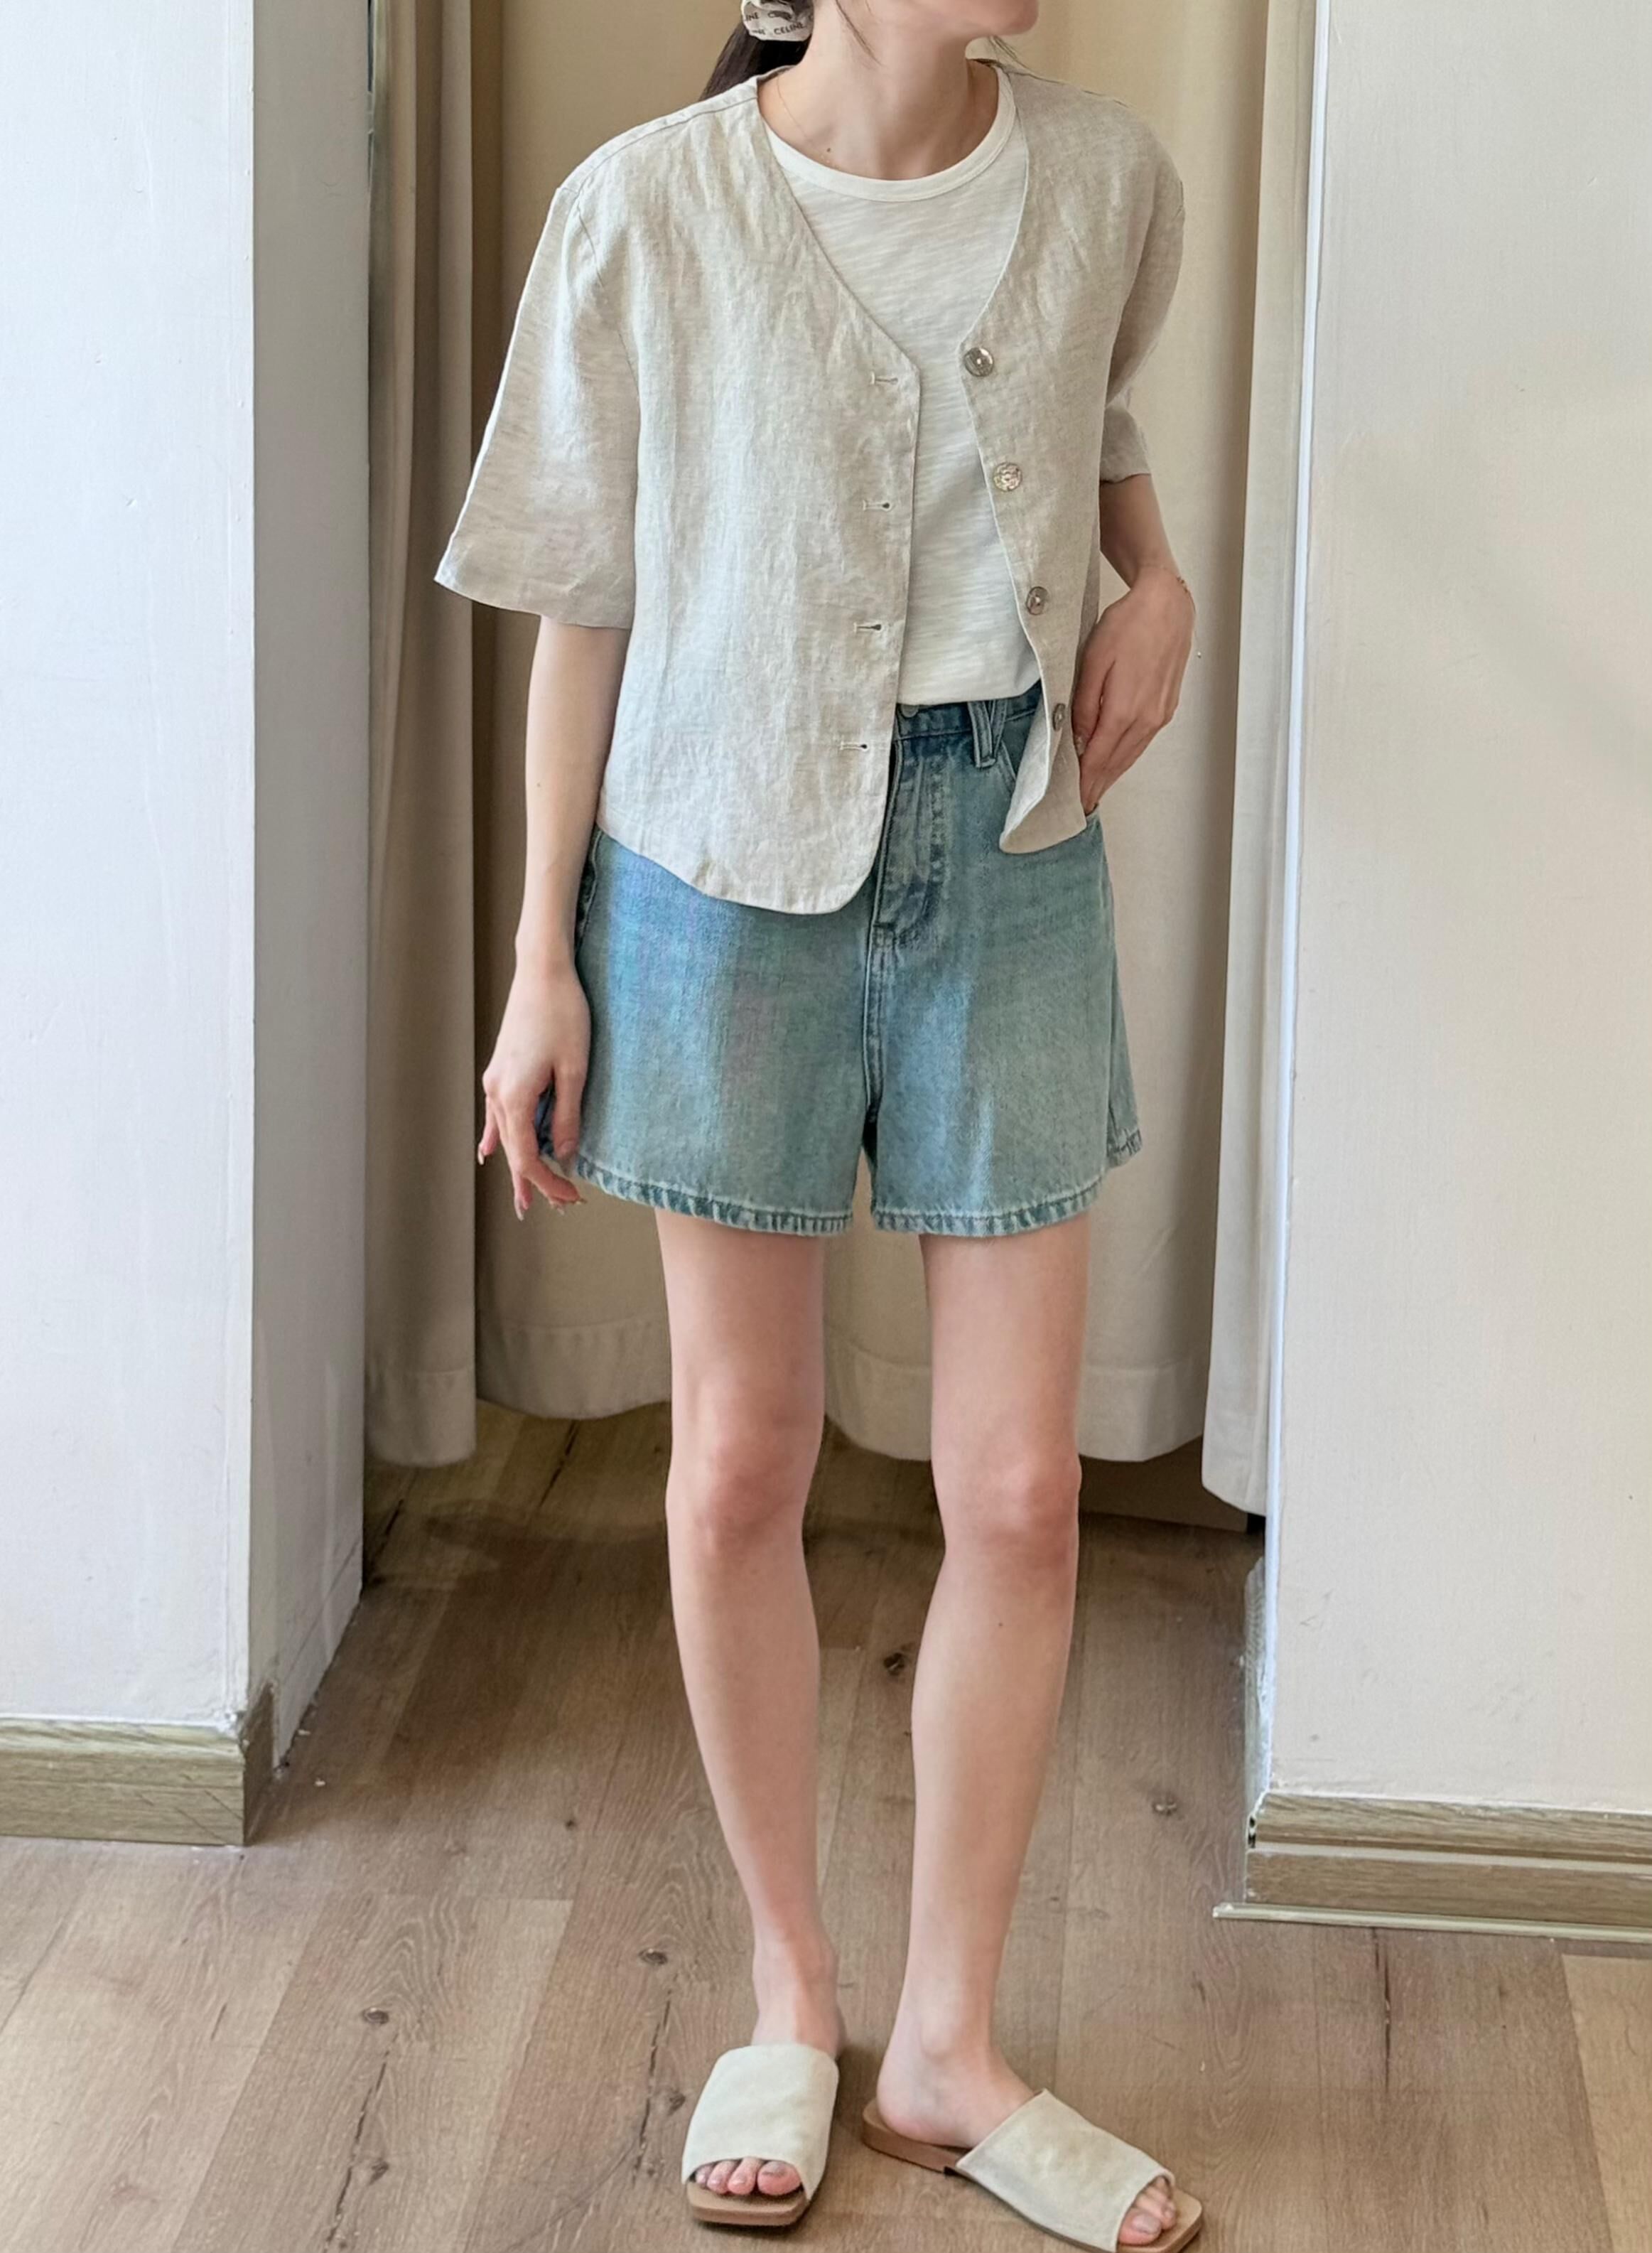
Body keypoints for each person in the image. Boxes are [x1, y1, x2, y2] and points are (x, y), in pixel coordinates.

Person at [434, 3, 1200, 2244]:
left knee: (1023, 1490)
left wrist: (1155, 573)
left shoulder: (1104, 180)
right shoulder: (645, 211)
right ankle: (790, 1987)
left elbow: (1093, 412)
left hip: (1010, 852)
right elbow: (583, 600)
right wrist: (540, 959)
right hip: (712, 864)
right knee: (742, 1457)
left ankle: (949, 2045)